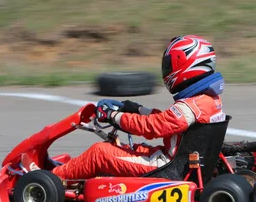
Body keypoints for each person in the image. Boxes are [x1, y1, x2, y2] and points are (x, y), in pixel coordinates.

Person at [23, 35, 226, 180]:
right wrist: (134, 108)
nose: (167, 70)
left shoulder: (191, 106)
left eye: (170, 65)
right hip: (177, 161)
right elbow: (166, 120)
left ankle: (47, 180)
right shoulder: (206, 101)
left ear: (187, 65)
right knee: (127, 149)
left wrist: (113, 117)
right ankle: (70, 174)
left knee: (100, 153)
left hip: (167, 168)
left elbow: (154, 127)